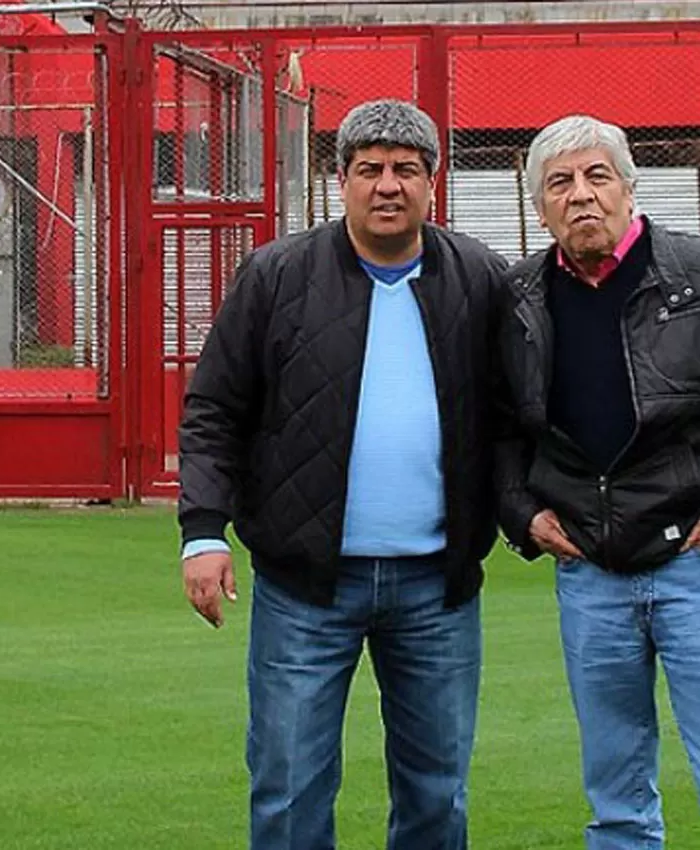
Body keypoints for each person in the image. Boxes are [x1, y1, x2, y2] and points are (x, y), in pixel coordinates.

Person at [177, 98, 506, 850]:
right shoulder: (275, 276)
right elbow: (213, 410)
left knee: (437, 791)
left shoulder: (480, 280)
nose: (387, 185)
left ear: (433, 181)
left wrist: (523, 516)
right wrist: (203, 533)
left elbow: (516, 417)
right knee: (290, 786)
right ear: (340, 180)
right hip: (304, 587)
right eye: (369, 170)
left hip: (438, 588)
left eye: (405, 170)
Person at [492, 114, 700, 849]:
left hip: (698, 569)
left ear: (630, 188)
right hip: (590, 578)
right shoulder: (517, 299)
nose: (581, 196)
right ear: (539, 208)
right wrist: (523, 515)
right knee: (616, 805)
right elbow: (500, 428)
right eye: (561, 183)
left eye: (597, 175)